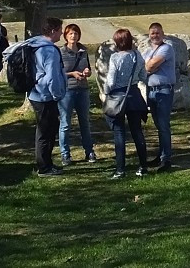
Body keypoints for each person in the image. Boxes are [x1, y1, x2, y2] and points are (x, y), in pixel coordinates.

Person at [104, 28, 149, 180]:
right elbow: (143, 76)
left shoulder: (116, 57)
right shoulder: (138, 55)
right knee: (137, 132)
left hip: (118, 96)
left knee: (119, 133)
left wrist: (106, 92)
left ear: (118, 42)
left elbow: (110, 81)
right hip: (134, 96)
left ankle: (120, 170)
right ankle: (143, 166)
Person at [27, 17, 68, 177]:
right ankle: (44, 167)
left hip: (36, 93)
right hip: (45, 96)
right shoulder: (49, 50)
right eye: (60, 30)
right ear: (53, 30)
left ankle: (48, 163)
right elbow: (52, 77)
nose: (61, 33)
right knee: (46, 131)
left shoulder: (35, 44)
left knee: (48, 129)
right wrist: (58, 95)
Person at [58, 23, 96, 166]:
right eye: (70, 34)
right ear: (66, 36)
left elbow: (89, 70)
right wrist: (72, 74)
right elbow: (58, 72)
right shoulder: (60, 52)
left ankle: (89, 151)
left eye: (75, 33)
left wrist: (87, 72)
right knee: (65, 123)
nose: (73, 36)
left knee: (85, 122)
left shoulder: (83, 51)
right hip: (67, 91)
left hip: (83, 89)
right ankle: (65, 154)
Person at [143, 22, 175, 172]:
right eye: (152, 33)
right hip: (151, 91)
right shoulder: (147, 51)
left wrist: (150, 68)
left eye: (158, 33)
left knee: (163, 125)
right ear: (149, 35)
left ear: (163, 34)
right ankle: (161, 155)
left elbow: (148, 67)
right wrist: (149, 68)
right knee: (158, 125)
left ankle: (166, 159)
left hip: (164, 91)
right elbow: (142, 69)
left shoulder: (166, 48)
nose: (155, 35)